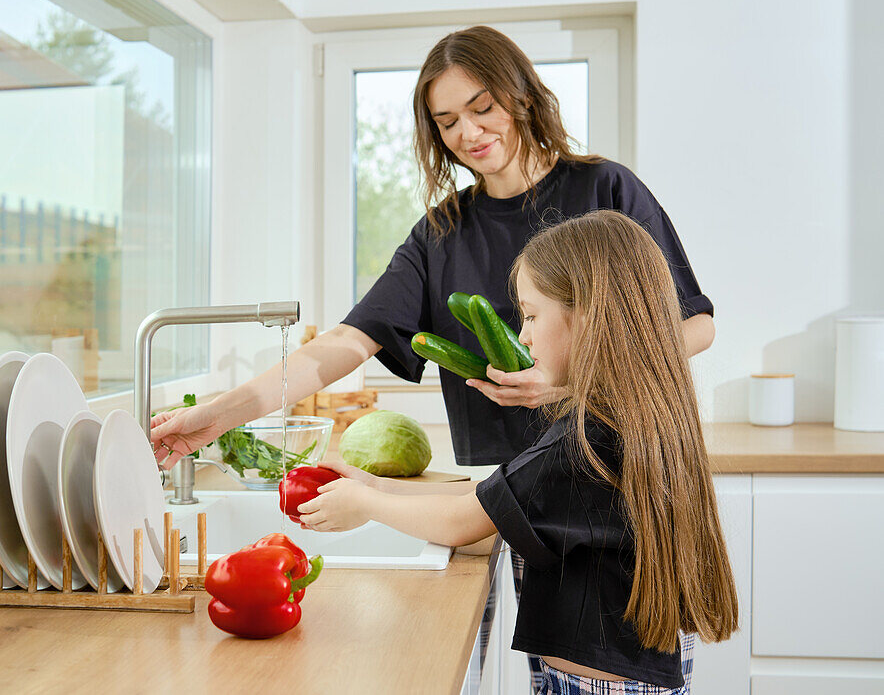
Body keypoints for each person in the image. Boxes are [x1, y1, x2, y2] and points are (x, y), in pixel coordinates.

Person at [148, 24, 714, 690]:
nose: (468, 132)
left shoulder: (603, 193)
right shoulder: (442, 231)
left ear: (521, 97)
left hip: (604, 474)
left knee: (606, 660)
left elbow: (690, 325)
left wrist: (573, 382)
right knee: (564, 662)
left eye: (481, 107)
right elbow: (344, 343)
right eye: (446, 122)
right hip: (514, 480)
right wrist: (220, 414)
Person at [296, 210, 739, 694]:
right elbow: (495, 496)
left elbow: (466, 520)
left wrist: (367, 505)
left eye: (531, 315)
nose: (522, 335)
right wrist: (375, 483)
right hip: (639, 668)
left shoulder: (584, 441)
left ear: (588, 316)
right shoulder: (634, 414)